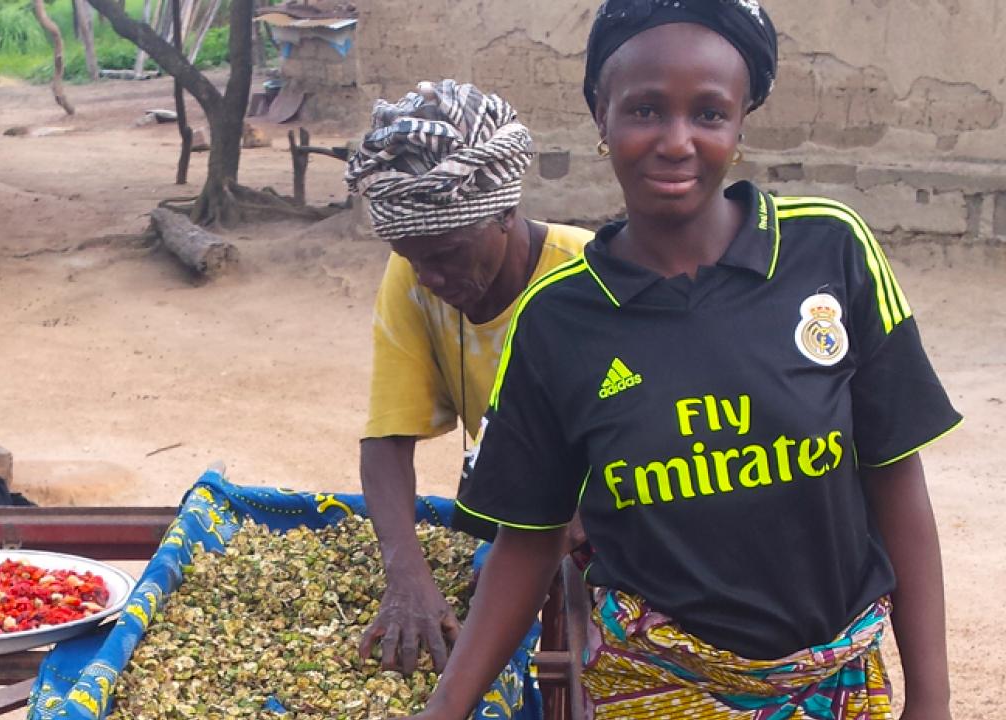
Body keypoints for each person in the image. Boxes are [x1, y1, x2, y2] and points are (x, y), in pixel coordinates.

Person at [399, 2, 961, 719]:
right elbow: (527, 541)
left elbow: (896, 482)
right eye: (644, 110)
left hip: (832, 687)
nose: (676, 141)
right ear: (600, 116)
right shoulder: (558, 320)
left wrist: (933, 700)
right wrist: (443, 710)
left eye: (709, 114)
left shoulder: (830, 251)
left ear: (741, 121)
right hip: (654, 689)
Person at [343, 80, 593, 676]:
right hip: (520, 522)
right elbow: (386, 441)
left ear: (505, 212)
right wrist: (406, 577)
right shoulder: (413, 281)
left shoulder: (591, 277)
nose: (429, 278)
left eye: (448, 254)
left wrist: (575, 532)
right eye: (412, 257)